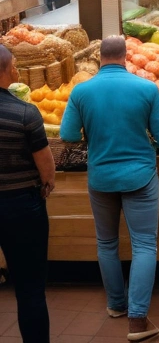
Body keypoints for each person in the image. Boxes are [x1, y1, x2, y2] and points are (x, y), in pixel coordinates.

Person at [60, 36, 159, 341]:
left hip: (101, 179)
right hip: (141, 177)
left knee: (107, 243)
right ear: (125, 56)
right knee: (144, 244)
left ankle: (116, 305)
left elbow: (68, 134)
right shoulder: (146, 89)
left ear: (99, 57)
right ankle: (137, 321)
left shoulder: (81, 91)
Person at [0, 45, 54, 343]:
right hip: (21, 208)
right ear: (6, 71)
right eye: (15, 66)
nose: (17, 70)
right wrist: (44, 186)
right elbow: (46, 169)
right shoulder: (25, 112)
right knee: (30, 288)